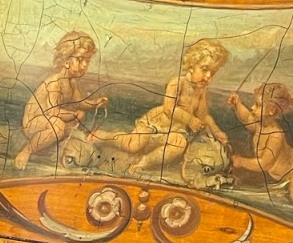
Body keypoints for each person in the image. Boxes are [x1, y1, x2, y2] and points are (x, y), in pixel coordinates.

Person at [94, 38, 229, 176]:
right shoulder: (177, 83)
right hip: (153, 125)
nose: (207, 76)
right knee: (133, 145)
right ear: (191, 65)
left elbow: (204, 115)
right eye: (205, 69)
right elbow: (169, 109)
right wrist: (190, 120)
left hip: (173, 132)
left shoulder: (201, 90)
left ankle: (145, 161)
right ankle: (105, 136)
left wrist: (216, 131)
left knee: (180, 144)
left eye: (212, 73)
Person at [13, 31, 105, 170]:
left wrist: (95, 103)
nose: (85, 65)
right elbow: (53, 111)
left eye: (87, 60)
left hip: (48, 119)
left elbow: (79, 102)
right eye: (80, 60)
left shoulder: (72, 82)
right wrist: (73, 115)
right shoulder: (55, 82)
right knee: (58, 126)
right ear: (66, 61)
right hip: (34, 121)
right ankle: (26, 151)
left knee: (77, 115)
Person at [228, 81, 293, 207]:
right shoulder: (260, 124)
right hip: (282, 174)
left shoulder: (276, 135)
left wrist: (241, 161)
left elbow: (265, 163)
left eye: (258, 105)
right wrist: (237, 104)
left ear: (272, 111)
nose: (252, 107)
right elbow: (246, 117)